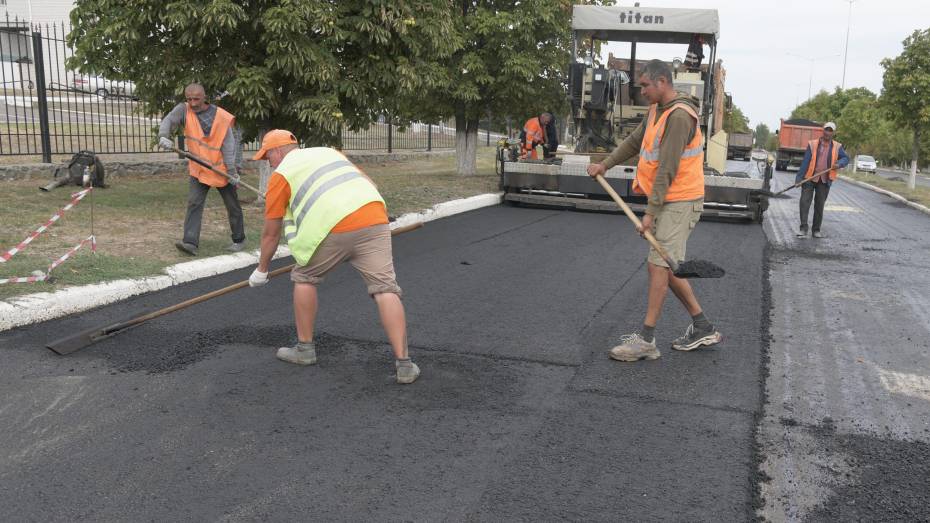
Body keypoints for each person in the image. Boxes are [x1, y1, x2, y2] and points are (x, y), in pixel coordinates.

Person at [247, 130, 419, 385]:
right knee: (385, 288)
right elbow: (370, 185)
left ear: (277, 152)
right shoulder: (329, 152)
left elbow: (271, 234)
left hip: (333, 228)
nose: (268, 163)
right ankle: (404, 365)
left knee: (305, 277)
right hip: (374, 218)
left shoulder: (281, 175)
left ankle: (305, 350)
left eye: (267, 157)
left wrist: (261, 270)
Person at [585, 59, 722, 362]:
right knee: (669, 265)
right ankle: (702, 326)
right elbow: (635, 142)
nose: (642, 91)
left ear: (662, 82)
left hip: (680, 199)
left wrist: (649, 213)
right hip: (669, 199)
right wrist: (604, 164)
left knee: (657, 264)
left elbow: (667, 169)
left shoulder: (679, 116)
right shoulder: (656, 111)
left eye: (645, 85)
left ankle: (646, 340)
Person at [158, 83, 244, 256]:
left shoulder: (220, 117)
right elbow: (168, 120)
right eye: (189, 99)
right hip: (199, 167)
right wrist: (163, 136)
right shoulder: (184, 110)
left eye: (196, 99)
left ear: (204, 97)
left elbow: (229, 146)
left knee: (232, 205)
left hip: (222, 169)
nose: (193, 103)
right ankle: (190, 242)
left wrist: (233, 172)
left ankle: (239, 239)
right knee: (194, 203)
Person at [795, 122, 849, 239]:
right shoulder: (813, 144)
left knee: (819, 206)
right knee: (804, 203)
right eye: (826, 130)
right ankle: (803, 228)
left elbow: (846, 158)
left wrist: (839, 164)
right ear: (823, 130)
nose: (828, 132)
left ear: (833, 133)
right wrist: (799, 178)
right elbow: (806, 161)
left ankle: (816, 230)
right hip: (809, 178)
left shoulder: (837, 147)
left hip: (824, 180)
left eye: (830, 131)